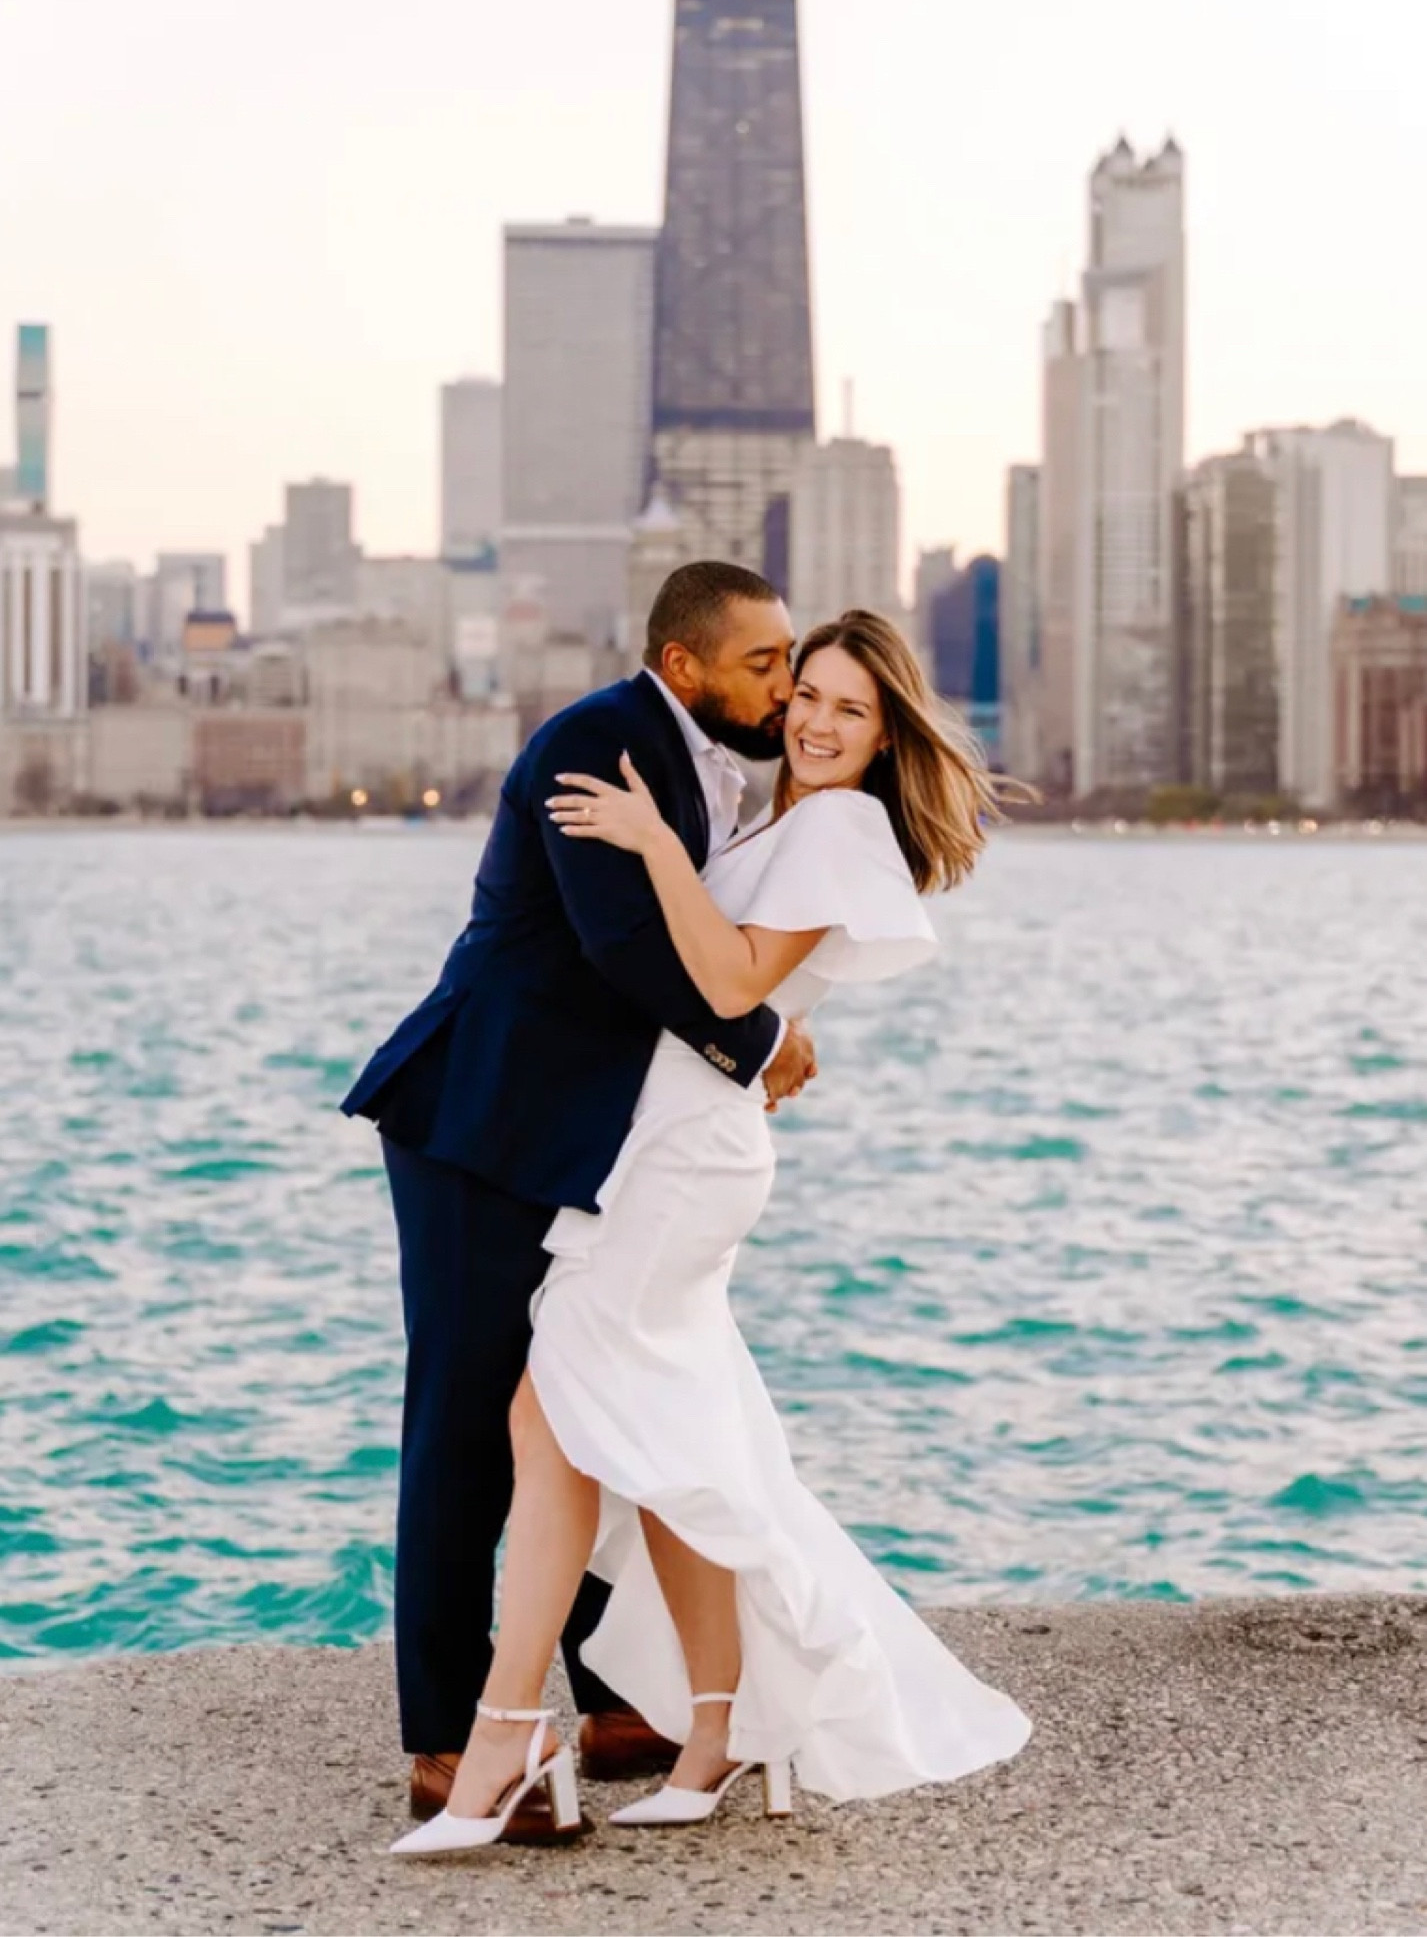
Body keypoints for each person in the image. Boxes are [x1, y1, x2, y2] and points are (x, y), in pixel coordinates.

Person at [392, 608, 1032, 1857]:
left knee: (553, 1416)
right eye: (805, 691)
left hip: (686, 1162)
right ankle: (712, 1727)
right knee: (669, 1435)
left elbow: (731, 980)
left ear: (885, 730)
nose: (813, 716)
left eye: (849, 707)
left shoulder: (838, 823)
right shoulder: (774, 810)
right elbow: (702, 980)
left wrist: (647, 845)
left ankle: (503, 1738)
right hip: (662, 1148)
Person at [342, 561, 819, 1824]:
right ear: (684, 666)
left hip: (591, 1146)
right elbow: (620, 945)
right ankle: (446, 1740)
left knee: (595, 1394)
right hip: (477, 1126)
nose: (785, 682)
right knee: (462, 1427)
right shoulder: (594, 743)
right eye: (763, 662)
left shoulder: (724, 763)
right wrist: (758, 1043)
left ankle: (613, 1703)